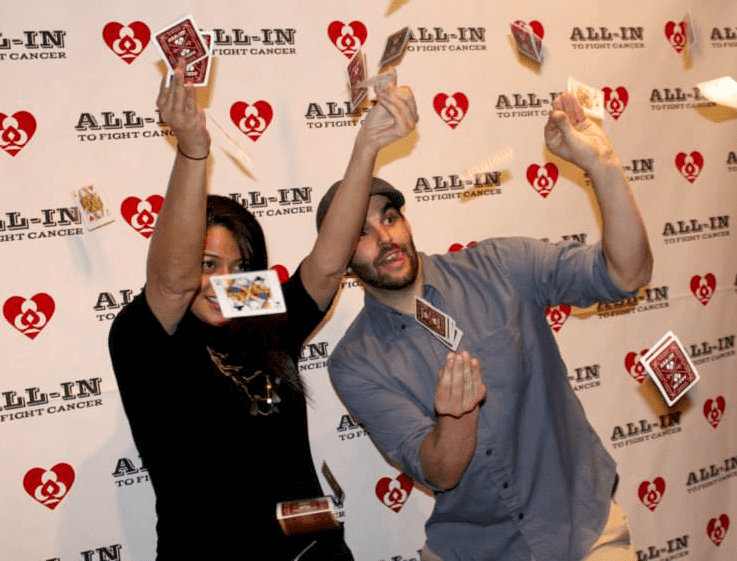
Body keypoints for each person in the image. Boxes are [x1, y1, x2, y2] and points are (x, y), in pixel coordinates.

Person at [321, 93, 653, 561]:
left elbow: (626, 275)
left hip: (580, 527)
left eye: (389, 218)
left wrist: (603, 165)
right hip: (474, 550)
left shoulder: (500, 265)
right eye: (360, 233)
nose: (385, 237)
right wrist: (456, 416)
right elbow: (439, 471)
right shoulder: (355, 362)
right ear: (341, 257)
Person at [107, 63, 417, 560]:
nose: (222, 284)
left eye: (239, 268)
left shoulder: (259, 316)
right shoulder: (146, 339)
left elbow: (327, 265)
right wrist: (193, 151)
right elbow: (172, 280)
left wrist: (366, 146)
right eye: (208, 264)